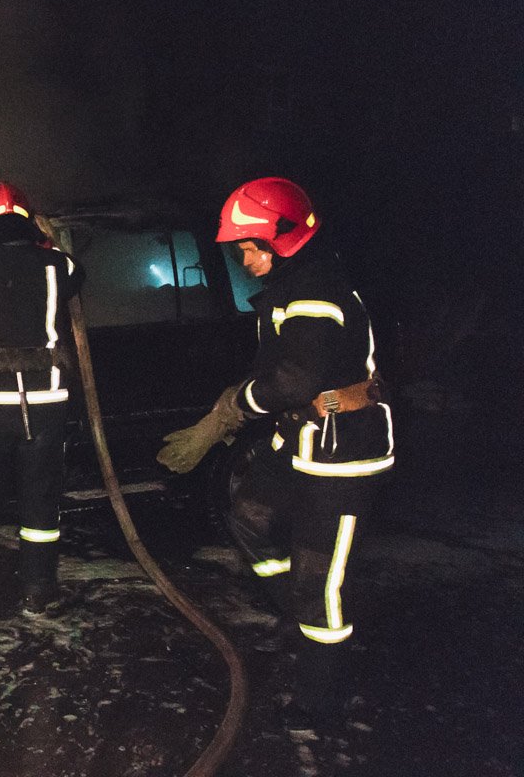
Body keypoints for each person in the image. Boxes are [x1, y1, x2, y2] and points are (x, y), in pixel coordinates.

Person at [156, 177, 394, 729]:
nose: (241, 258)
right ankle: (295, 611)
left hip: (342, 457)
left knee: (321, 580)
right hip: (301, 441)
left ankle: (320, 696)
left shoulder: (312, 294)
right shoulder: (298, 284)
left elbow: (292, 381)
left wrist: (235, 405)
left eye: (247, 245)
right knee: (249, 513)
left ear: (280, 237)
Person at [0, 182, 83, 616]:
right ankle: (39, 592)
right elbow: (77, 277)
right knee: (40, 496)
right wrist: (45, 241)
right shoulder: (55, 263)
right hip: (46, 399)